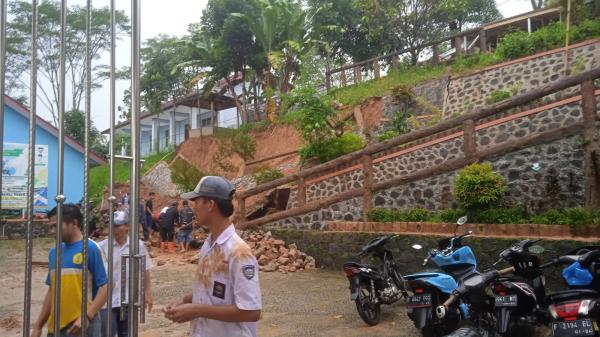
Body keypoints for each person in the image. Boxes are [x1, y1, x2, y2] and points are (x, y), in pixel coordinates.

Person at [163, 176, 261, 337]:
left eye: (196, 202)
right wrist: (185, 301)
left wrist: (197, 310)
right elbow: (210, 292)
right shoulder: (209, 244)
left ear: (210, 205)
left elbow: (252, 311)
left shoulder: (239, 252)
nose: (193, 208)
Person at [31, 204, 108, 337]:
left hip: (82, 326)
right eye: (50, 226)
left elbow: (106, 286)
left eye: (55, 225)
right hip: (56, 327)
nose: (52, 231)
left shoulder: (91, 248)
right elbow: (52, 291)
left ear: (74, 223)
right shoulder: (54, 252)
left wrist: (87, 317)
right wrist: (38, 325)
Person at [98, 211, 153, 337]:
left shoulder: (137, 245)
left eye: (118, 225)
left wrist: (147, 293)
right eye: (112, 226)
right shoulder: (101, 247)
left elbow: (145, 269)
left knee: (128, 333)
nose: (114, 229)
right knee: (107, 333)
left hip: (128, 299)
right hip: (106, 301)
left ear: (127, 226)